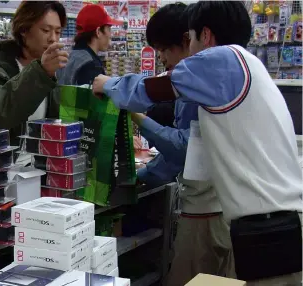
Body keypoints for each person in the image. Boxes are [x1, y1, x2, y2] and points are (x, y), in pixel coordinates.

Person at [93, 1, 302, 285]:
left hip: (267, 231)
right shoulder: (247, 64)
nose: (187, 49)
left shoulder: (221, 60)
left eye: (189, 39)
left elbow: (148, 91)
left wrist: (106, 84)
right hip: (268, 225)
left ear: (205, 35)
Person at [135, 4, 233, 285]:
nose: (162, 58)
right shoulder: (216, 77)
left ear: (189, 39)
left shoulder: (200, 84)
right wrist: (144, 175)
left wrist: (138, 118)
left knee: (191, 278)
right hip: (212, 208)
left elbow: (184, 149)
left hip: (208, 210)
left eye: (164, 49)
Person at [0, 1, 69, 146]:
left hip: (40, 166)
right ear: (24, 30)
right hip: (1, 165)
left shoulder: (51, 72)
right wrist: (41, 72)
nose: (53, 39)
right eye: (45, 30)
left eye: (58, 32)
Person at [56, 4, 122, 86]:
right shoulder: (92, 65)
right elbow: (93, 98)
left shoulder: (67, 57)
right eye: (109, 29)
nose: (110, 35)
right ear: (98, 32)